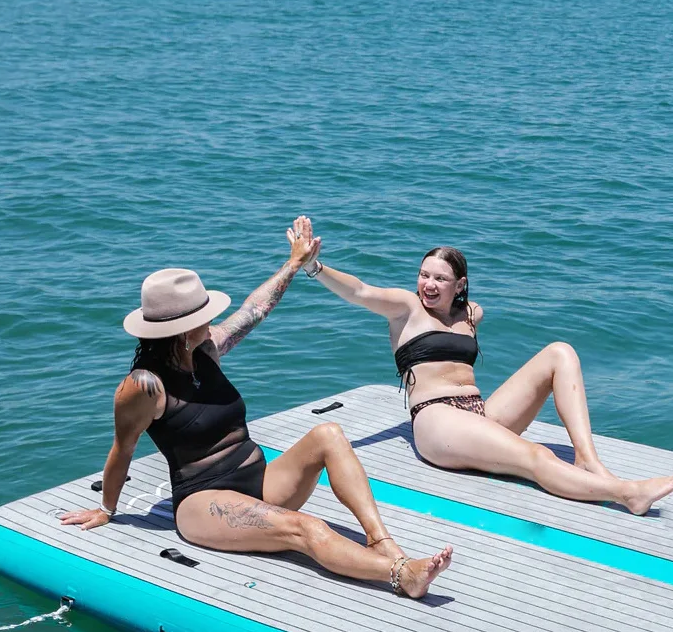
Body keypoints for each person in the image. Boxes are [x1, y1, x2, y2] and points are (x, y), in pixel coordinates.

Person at [59, 217, 452, 599]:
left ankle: (382, 542)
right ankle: (402, 575)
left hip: (259, 481)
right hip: (204, 503)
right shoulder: (143, 386)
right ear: (178, 330)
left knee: (328, 435)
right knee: (306, 528)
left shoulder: (204, 349)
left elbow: (255, 309)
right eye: (202, 316)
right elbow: (122, 449)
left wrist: (294, 264)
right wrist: (107, 508)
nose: (211, 320)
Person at [307, 239, 673, 514]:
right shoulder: (406, 309)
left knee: (560, 352)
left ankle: (587, 459)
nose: (429, 285)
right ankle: (626, 493)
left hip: (478, 413)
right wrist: (314, 266)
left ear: (460, 285)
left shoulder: (471, 314)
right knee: (535, 455)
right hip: (436, 421)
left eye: (440, 278)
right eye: (424, 275)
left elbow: (470, 318)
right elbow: (359, 291)